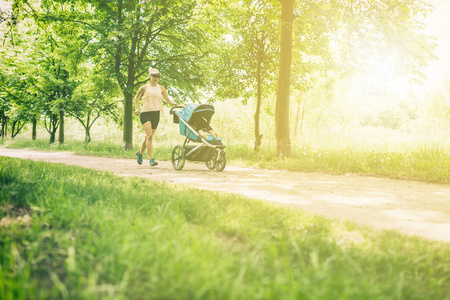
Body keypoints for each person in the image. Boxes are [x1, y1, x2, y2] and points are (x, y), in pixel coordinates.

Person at [134, 68, 180, 166]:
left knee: (148, 136)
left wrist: (177, 104)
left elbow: (168, 101)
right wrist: (136, 108)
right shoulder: (144, 88)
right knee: (150, 136)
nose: (156, 78)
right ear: (150, 76)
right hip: (145, 113)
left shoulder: (162, 88)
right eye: (154, 76)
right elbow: (136, 97)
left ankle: (140, 153)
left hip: (156, 113)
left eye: (158, 76)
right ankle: (151, 159)